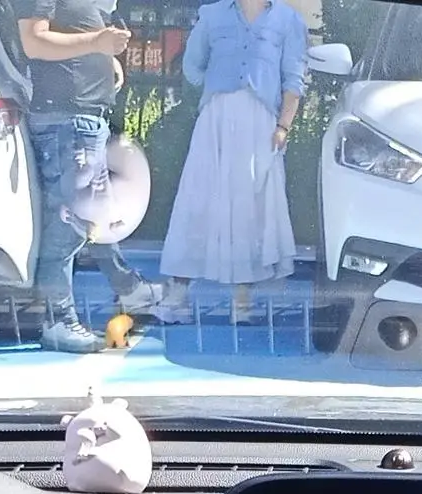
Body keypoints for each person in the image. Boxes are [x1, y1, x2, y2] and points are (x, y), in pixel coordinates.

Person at [20, 0, 166, 353]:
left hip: (80, 118)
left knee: (88, 215)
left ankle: (126, 288)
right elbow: (34, 41)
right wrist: (97, 43)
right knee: (68, 225)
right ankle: (59, 320)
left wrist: (103, 54)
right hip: (67, 119)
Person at [155, 0, 307, 325]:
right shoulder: (211, 15)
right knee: (197, 199)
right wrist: (217, 91)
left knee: (249, 205)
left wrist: (283, 126)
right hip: (215, 121)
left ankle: (242, 304)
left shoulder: (288, 20)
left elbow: (294, 79)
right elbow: (192, 66)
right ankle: (177, 298)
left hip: (261, 125)